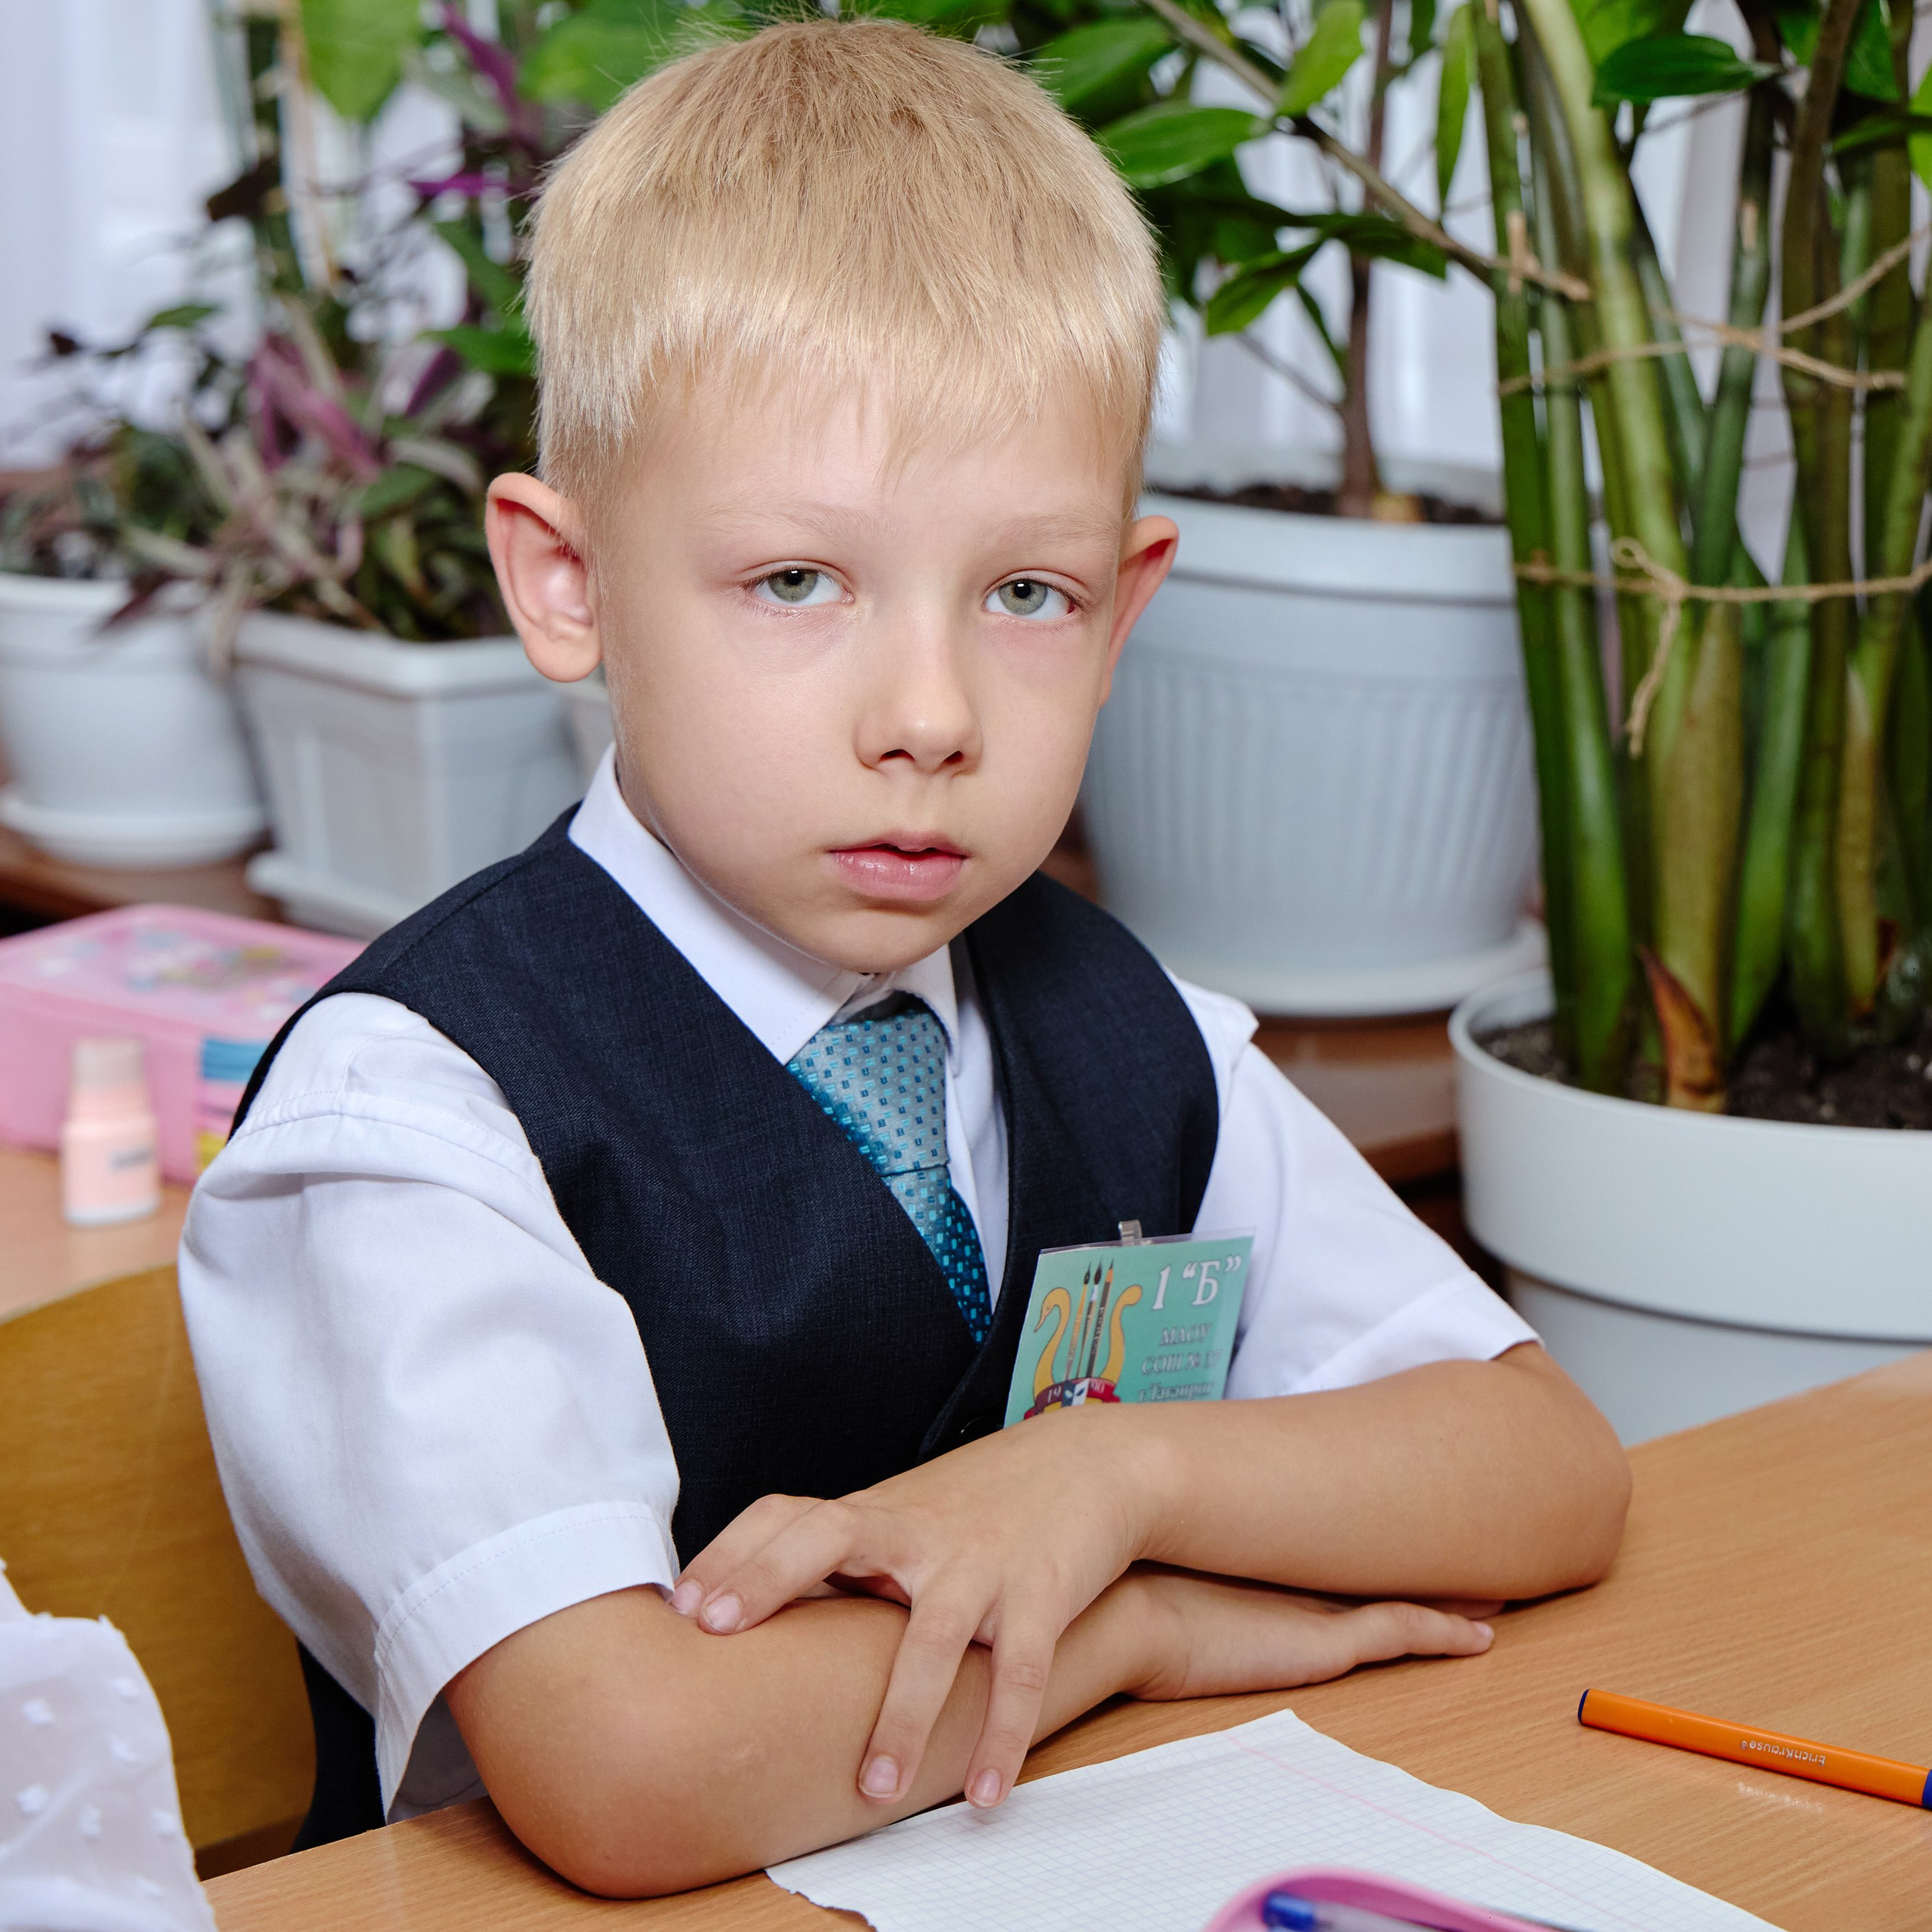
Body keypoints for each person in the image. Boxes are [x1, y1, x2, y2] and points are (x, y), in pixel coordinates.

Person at [180, 17, 1629, 1899]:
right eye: (797, 581)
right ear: (568, 581)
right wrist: (1131, 1625)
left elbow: (1545, 1464)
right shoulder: (418, 1115)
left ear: (1124, 609)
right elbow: (627, 1772)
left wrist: (1108, 1484)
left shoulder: (1127, 1029)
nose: (929, 713)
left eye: (1024, 594)